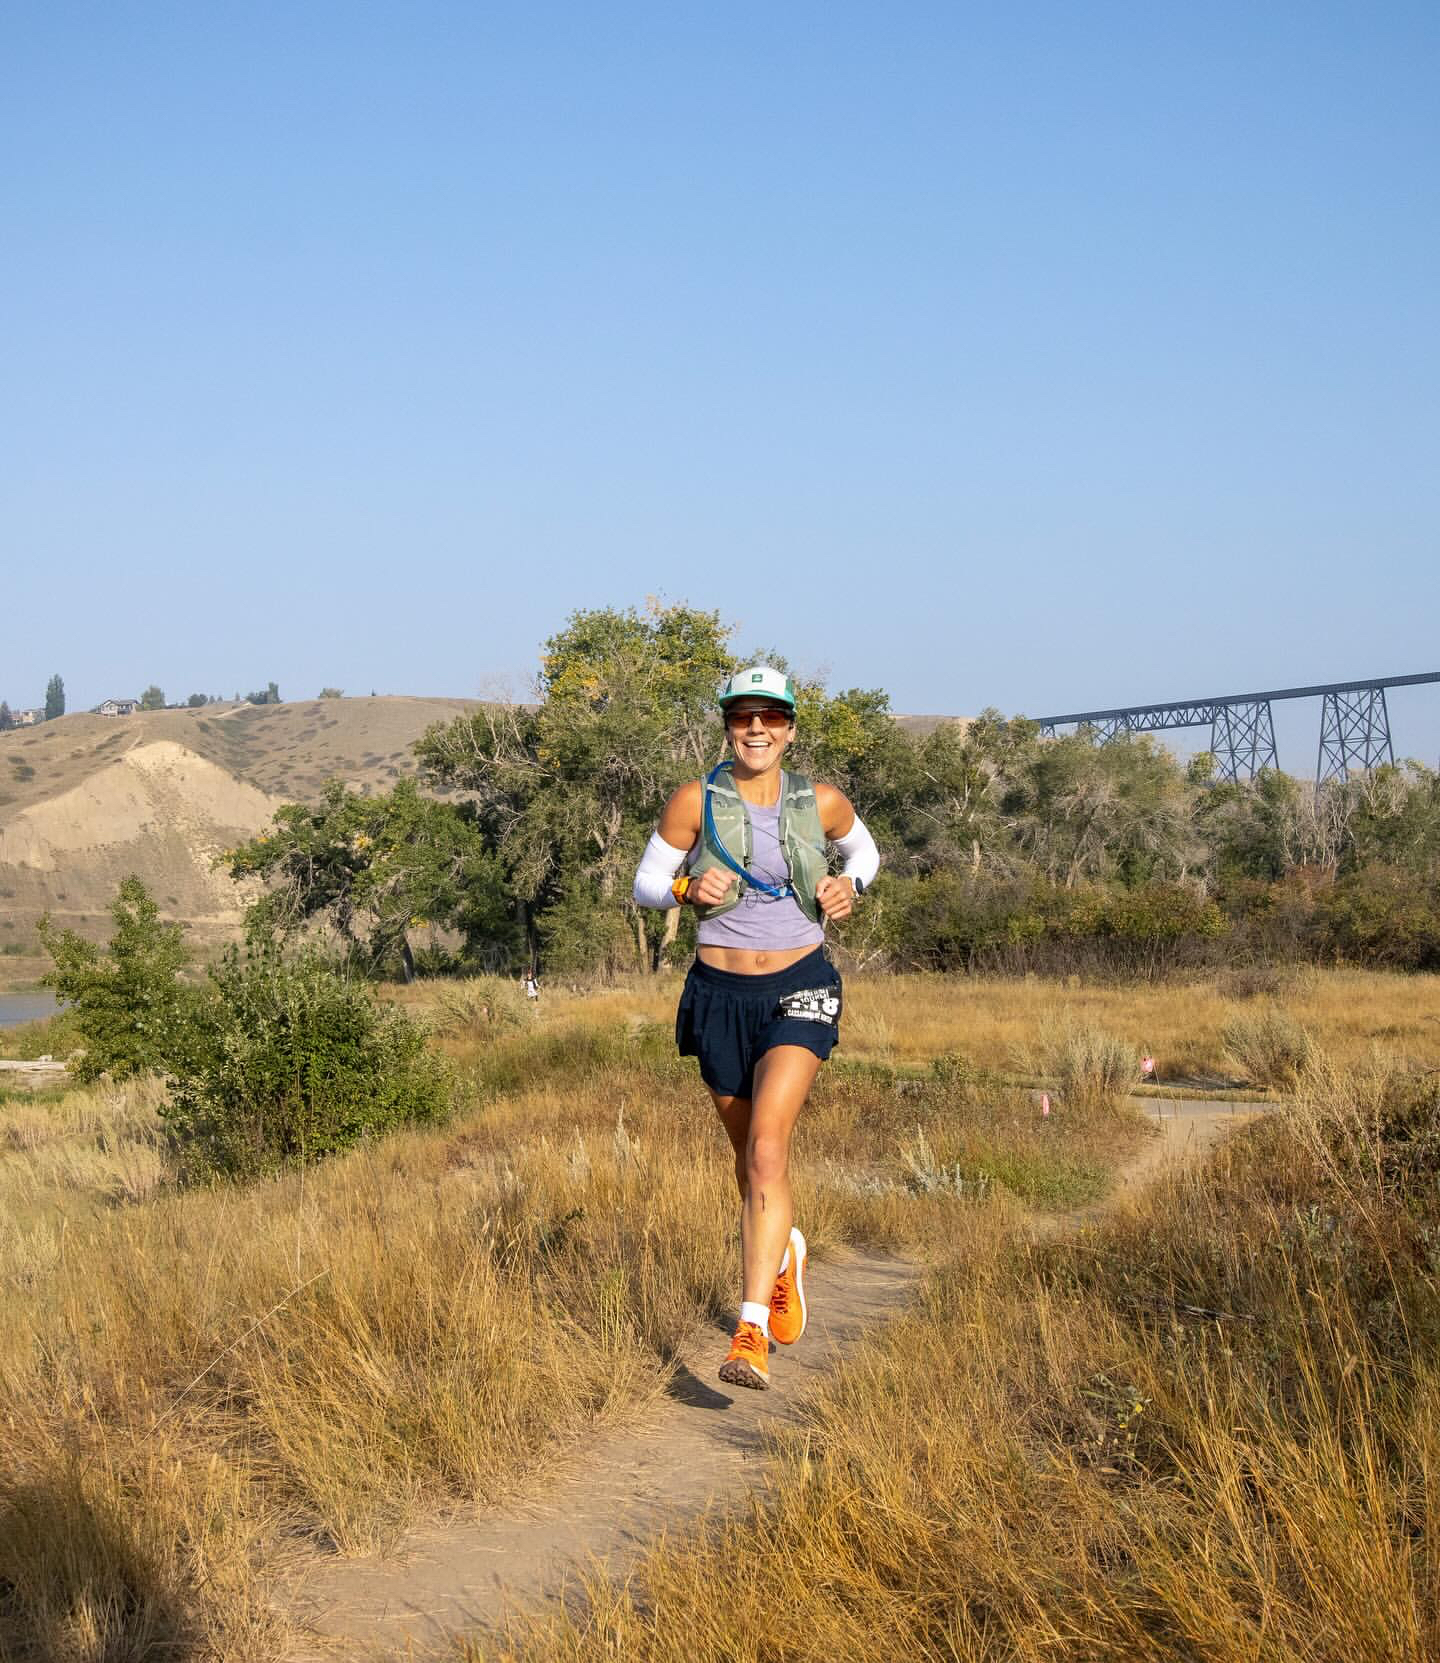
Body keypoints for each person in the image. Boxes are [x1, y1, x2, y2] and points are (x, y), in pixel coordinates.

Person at [632, 665, 880, 1388]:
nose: (758, 730)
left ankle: (749, 1334)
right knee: (750, 1165)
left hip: (799, 983)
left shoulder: (820, 800)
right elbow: (646, 882)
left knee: (769, 1150)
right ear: (728, 727)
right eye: (744, 718)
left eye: (771, 718)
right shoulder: (694, 801)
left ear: (791, 728)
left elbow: (865, 854)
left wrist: (847, 885)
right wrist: (685, 885)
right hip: (718, 993)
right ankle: (785, 1256)